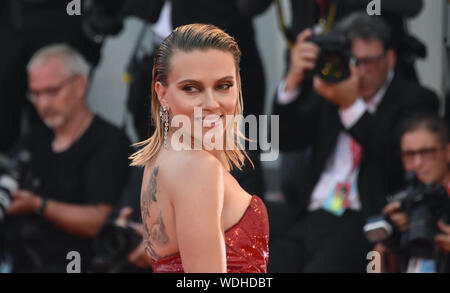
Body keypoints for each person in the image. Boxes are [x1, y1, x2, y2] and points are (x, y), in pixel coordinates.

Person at [269, 14, 439, 272]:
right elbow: (287, 140)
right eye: (354, 61)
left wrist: (351, 107)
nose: (360, 71)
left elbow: (396, 161)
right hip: (313, 212)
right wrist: (292, 82)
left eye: (370, 62)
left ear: (390, 59)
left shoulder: (415, 99)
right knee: (263, 265)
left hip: (364, 218)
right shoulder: (331, 88)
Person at [129, 23, 269, 273]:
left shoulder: (163, 159)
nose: (211, 103)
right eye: (191, 88)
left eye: (223, 85)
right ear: (161, 93)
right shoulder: (197, 167)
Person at [1, 44, 130, 272]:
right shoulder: (35, 138)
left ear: (79, 85)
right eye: (35, 94)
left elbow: (100, 220)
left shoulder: (110, 143)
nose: (43, 104)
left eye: (51, 92)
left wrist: (38, 205)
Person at [382, 114, 450, 273]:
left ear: (448, 152)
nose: (417, 163)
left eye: (426, 152)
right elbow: (375, 265)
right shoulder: (402, 201)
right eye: (409, 155)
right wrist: (391, 237)